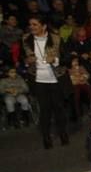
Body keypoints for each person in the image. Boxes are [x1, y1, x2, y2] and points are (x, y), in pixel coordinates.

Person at [23, 14, 70, 148]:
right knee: (44, 110)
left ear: (43, 26)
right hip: (38, 80)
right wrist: (27, 62)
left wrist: (54, 60)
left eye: (35, 25)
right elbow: (23, 57)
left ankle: (63, 133)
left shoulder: (56, 38)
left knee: (58, 108)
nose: (31, 27)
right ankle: (46, 137)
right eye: (30, 25)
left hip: (55, 79)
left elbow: (67, 58)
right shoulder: (26, 39)